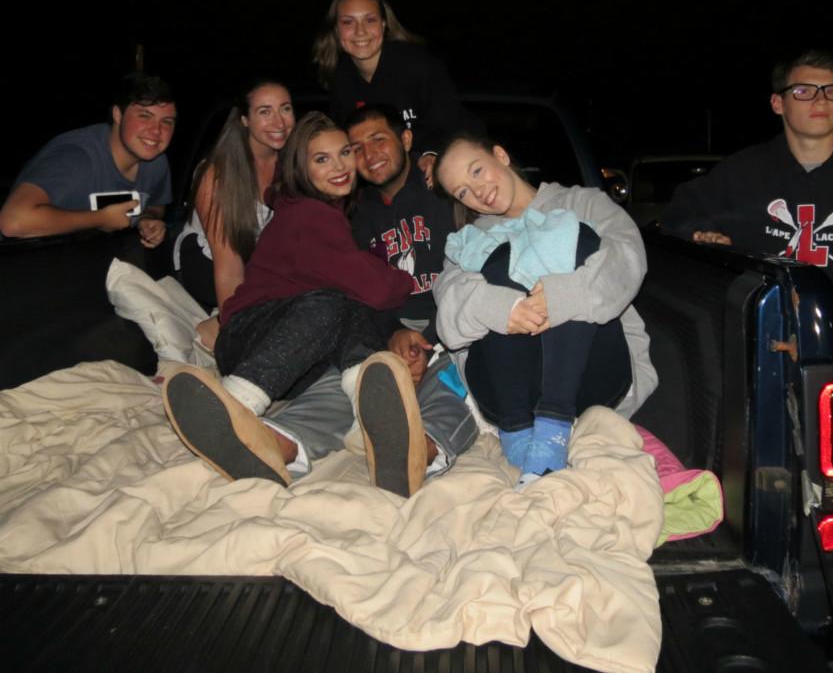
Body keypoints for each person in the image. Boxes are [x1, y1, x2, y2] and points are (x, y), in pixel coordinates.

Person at [661, 50, 833, 673]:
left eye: (832, 90)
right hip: (796, 375)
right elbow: (678, 216)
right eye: (803, 90)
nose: (818, 100)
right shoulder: (743, 175)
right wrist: (699, 236)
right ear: (778, 102)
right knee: (820, 513)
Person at [255, 103, 478, 494]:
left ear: (406, 140)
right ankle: (277, 443)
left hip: (451, 324)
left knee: (456, 378)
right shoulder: (353, 217)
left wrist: (430, 340)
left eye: (379, 140)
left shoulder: (442, 191)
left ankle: (417, 451)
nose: (369, 155)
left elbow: (473, 276)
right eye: (355, 148)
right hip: (384, 330)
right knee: (345, 377)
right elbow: (354, 294)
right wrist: (393, 333)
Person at [433, 133, 657, 488]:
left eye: (477, 171)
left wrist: (560, 297)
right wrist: (504, 308)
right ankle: (520, 435)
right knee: (497, 262)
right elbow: (448, 311)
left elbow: (628, 260)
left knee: (574, 239)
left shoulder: (582, 203)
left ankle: (551, 431)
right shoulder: (469, 240)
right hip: (509, 395)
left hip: (593, 375)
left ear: (501, 155)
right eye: (462, 191)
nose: (477, 191)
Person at [312, 0, 477, 185]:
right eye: (348, 22)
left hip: (440, 172)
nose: (360, 31)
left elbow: (458, 124)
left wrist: (433, 153)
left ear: (383, 24)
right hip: (383, 184)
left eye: (369, 20)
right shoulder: (340, 79)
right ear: (336, 30)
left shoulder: (419, 66)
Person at [0, 72, 176, 247]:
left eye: (167, 121)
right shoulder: (76, 157)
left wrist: (147, 220)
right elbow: (12, 222)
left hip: (99, 259)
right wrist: (101, 219)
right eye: (145, 116)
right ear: (118, 115)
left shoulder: (156, 161)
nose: (156, 131)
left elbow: (156, 204)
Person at [173, 79, 295, 312]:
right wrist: (233, 327)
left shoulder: (293, 163)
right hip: (210, 264)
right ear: (245, 120)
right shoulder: (217, 173)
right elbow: (228, 266)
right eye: (265, 111)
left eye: (285, 109)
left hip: (261, 263)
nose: (279, 122)